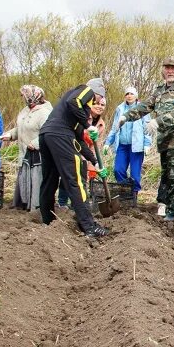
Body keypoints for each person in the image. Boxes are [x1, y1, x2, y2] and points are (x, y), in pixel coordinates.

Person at [118, 57, 174, 221]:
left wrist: (157, 122)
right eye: (167, 67)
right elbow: (145, 106)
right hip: (164, 141)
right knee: (167, 175)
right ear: (163, 69)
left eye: (173, 68)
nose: (170, 71)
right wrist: (126, 117)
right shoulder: (159, 89)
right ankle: (170, 208)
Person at [38, 78, 109, 238]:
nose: (97, 103)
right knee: (76, 180)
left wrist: (95, 162)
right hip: (60, 134)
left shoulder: (75, 113)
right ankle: (89, 226)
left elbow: (79, 142)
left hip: (46, 135)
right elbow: (73, 100)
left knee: (49, 180)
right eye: (99, 99)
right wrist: (87, 124)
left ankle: (47, 221)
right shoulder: (86, 90)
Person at [1, 85, 52, 210]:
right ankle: (23, 205)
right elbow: (22, 128)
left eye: (25, 96)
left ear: (33, 97)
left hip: (38, 156)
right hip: (24, 154)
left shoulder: (45, 112)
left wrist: (35, 143)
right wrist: (11, 134)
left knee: (36, 181)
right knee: (24, 180)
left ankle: (36, 208)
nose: (23, 98)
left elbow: (48, 133)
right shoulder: (25, 110)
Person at [103, 86, 151, 205]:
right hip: (122, 146)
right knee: (118, 170)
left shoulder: (142, 108)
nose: (129, 95)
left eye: (131, 94)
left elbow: (147, 128)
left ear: (136, 96)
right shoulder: (120, 109)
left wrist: (147, 144)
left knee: (135, 174)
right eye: (127, 94)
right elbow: (115, 127)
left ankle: (133, 196)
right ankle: (124, 192)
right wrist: (108, 142)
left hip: (137, 146)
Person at [57, 95, 106, 208]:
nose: (99, 106)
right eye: (97, 103)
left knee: (82, 180)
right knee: (67, 177)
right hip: (71, 148)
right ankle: (62, 203)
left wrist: (95, 165)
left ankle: (77, 205)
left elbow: (95, 146)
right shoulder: (82, 115)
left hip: (85, 154)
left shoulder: (101, 124)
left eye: (102, 105)